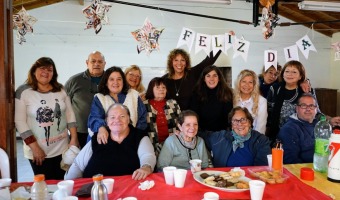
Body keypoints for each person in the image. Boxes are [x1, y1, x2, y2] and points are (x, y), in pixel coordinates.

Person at [15, 57, 79, 180]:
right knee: (44, 185)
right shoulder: (24, 91)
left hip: (62, 148)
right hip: (38, 151)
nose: (46, 72)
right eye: (42, 68)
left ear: (53, 73)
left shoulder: (60, 89)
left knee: (61, 182)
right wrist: (35, 148)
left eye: (50, 69)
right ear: (34, 71)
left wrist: (74, 139)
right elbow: (19, 121)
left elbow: (70, 114)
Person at [65, 103, 156, 180]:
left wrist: (146, 167)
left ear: (128, 119)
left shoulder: (139, 136)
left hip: (129, 189)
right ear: (107, 121)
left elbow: (147, 155)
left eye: (122, 116)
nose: (117, 120)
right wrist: (69, 186)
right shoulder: (97, 137)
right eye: (112, 117)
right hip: (95, 189)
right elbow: (78, 165)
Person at [267, 60, 340, 143]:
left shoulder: (307, 90)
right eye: (287, 71)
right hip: (276, 136)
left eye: (294, 72)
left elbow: (316, 113)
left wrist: (329, 119)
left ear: (300, 76)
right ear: (283, 74)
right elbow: (268, 112)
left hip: (301, 135)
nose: (289, 74)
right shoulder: (274, 88)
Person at [88, 66, 147, 144]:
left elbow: (142, 118)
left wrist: (135, 135)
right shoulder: (99, 98)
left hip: (132, 140)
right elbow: (95, 117)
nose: (116, 82)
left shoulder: (134, 95)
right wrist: (101, 128)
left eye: (119, 79)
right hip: (106, 140)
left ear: (123, 81)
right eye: (111, 79)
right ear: (106, 82)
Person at [199, 107, 271, 167]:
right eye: (235, 121)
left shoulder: (261, 141)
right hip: (222, 181)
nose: (240, 124)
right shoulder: (220, 138)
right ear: (232, 126)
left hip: (248, 182)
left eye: (243, 120)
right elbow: (199, 135)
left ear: (249, 122)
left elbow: (261, 169)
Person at [65, 51, 106, 148]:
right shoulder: (74, 81)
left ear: (104, 64)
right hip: (79, 132)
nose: (96, 64)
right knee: (80, 161)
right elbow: (63, 107)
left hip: (104, 131)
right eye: (93, 61)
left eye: (100, 61)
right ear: (87, 63)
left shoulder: (110, 80)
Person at [143, 77, 181, 157]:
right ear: (151, 89)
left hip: (172, 142)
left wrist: (179, 132)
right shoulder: (144, 105)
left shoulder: (173, 103)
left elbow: (181, 121)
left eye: (163, 87)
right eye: (157, 87)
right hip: (151, 144)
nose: (161, 89)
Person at [189, 65, 233, 131]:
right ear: (204, 79)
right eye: (208, 76)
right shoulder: (196, 94)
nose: (211, 79)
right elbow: (193, 116)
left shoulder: (226, 93)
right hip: (201, 132)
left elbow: (228, 118)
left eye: (215, 76)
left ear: (219, 78)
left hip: (221, 133)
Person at [277, 93, 318, 164]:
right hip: (303, 170)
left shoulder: (320, 125)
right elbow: (291, 160)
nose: (308, 109)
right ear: (297, 108)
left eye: (311, 106)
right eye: (303, 105)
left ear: (316, 109)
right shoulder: (289, 129)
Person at [234, 69, 267, 134]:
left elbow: (261, 128)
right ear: (239, 83)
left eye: (250, 82)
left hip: (253, 139)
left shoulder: (262, 101)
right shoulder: (232, 98)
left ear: (254, 85)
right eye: (244, 81)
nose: (247, 85)